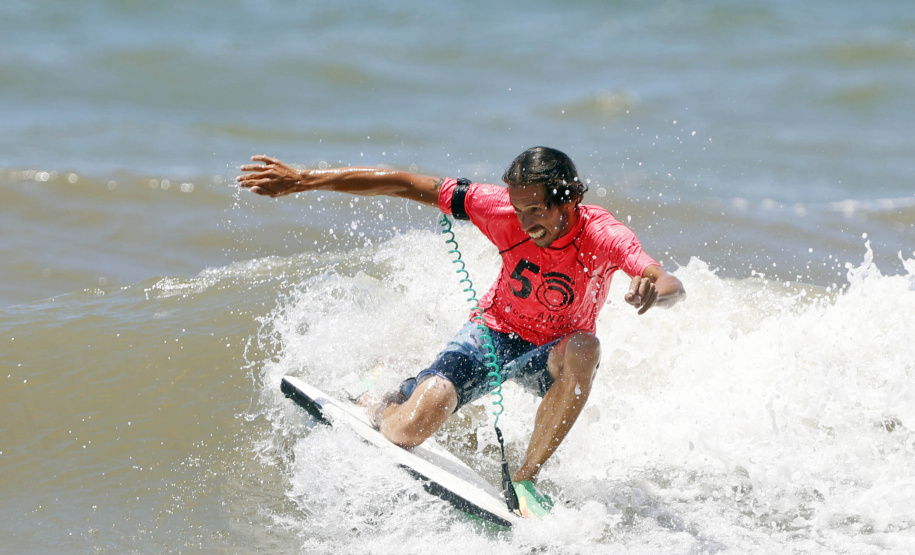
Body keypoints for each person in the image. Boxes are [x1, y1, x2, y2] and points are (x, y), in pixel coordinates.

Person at [237, 146, 685, 483]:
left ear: (569, 201)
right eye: (519, 208)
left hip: (552, 353)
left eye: (537, 210)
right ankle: (381, 398)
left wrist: (653, 291)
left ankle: (526, 478)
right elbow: (404, 182)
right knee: (409, 430)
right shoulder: (499, 208)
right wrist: (305, 179)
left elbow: (667, 282)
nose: (525, 221)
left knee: (587, 346)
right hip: (493, 334)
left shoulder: (602, 233)